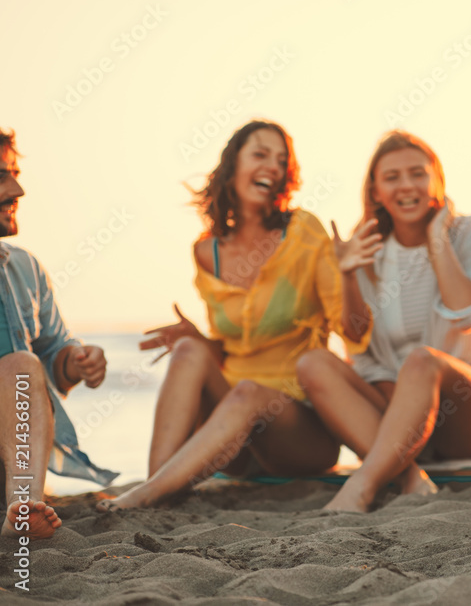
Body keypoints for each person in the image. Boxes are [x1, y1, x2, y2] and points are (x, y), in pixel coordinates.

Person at [97, 120, 379, 511]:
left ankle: (147, 492)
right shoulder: (205, 252)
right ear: (232, 167)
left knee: (247, 392)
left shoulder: (304, 232)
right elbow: (237, 345)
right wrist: (200, 339)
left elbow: (354, 332)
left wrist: (348, 276)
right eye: (260, 154)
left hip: (296, 429)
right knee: (187, 352)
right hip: (233, 437)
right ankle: (158, 485)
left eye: (281, 161)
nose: (272, 167)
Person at [296, 130, 471, 512]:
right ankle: (410, 475)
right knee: (313, 363)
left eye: (417, 173)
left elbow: (468, 316)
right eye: (392, 177)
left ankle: (363, 486)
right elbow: (360, 350)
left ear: (437, 180)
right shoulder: (366, 250)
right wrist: (347, 274)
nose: (406, 185)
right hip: (404, 418)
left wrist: (436, 239)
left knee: (421, 360)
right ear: (376, 191)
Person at [0, 128, 114, 539]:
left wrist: (76, 361)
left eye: (14, 172)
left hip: (12, 461)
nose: (18, 189)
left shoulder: (27, 268)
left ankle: (22, 510)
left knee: (23, 364)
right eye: (1, 177)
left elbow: (50, 357)